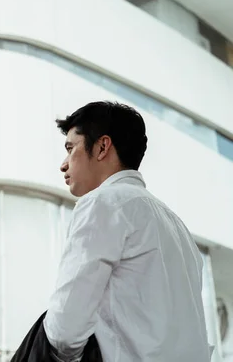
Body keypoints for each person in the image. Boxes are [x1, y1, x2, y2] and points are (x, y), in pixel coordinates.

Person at [43, 101, 211, 362]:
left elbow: (64, 330)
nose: (63, 164)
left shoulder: (104, 203)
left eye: (70, 148)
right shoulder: (177, 227)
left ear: (102, 147)